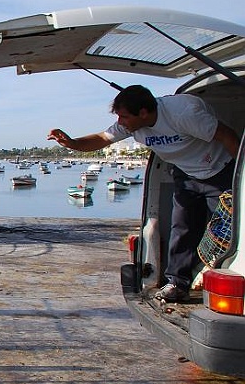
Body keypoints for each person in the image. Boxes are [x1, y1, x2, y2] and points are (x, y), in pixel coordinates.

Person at [48, 85, 239, 302]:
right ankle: (177, 283)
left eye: (124, 116)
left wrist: (241, 178)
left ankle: (228, 284)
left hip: (220, 170)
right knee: (182, 228)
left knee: (228, 231)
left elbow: (229, 137)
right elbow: (102, 139)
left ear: (144, 113)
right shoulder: (131, 125)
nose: (120, 122)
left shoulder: (183, 114)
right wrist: (71, 143)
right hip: (186, 174)